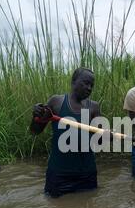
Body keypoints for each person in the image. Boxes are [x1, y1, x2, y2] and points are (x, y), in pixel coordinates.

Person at [31, 68, 101, 198]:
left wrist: (108, 136)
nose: (89, 88)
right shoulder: (56, 102)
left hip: (86, 174)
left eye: (92, 85)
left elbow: (99, 141)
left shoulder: (94, 107)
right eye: (85, 83)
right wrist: (36, 116)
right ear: (73, 82)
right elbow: (35, 131)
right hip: (59, 174)